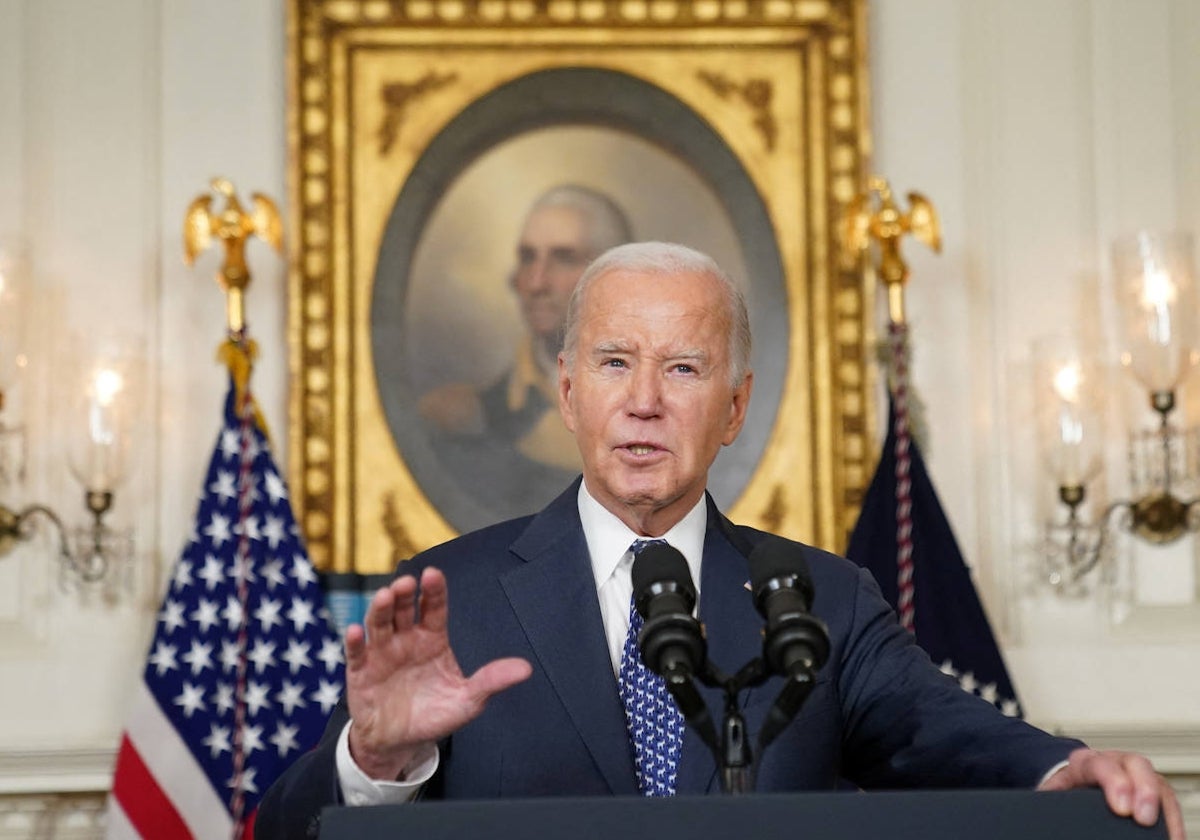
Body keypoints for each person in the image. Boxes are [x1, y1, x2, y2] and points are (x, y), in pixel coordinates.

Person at [256, 242, 1184, 840]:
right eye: (615, 363)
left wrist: (1066, 764)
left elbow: (946, 733)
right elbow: (289, 828)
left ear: (735, 407)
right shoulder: (451, 596)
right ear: (569, 392)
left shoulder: (820, 602)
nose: (645, 399)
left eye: (685, 368)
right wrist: (372, 763)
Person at [418, 184, 633, 478]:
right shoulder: (461, 421)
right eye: (528, 258)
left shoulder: (665, 412)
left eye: (563, 258)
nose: (536, 283)